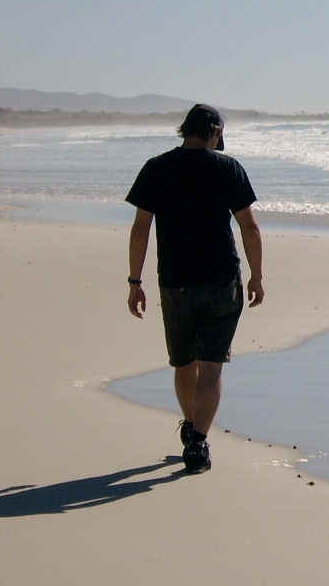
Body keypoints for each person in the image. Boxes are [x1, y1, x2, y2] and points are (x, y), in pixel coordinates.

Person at [125, 104, 264, 474]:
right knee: (211, 367)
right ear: (215, 130)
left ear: (184, 129)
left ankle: (192, 428)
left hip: (175, 281)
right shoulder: (227, 167)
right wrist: (257, 276)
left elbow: (141, 228)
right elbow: (249, 227)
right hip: (221, 279)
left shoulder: (157, 167)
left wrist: (134, 282)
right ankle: (199, 443)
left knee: (183, 361)